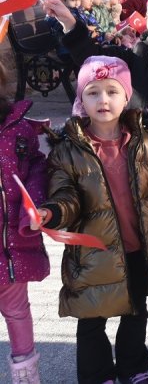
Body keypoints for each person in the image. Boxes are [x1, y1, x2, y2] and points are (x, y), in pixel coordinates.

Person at [36, 56, 148, 384]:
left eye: (112, 91)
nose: (103, 100)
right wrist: (53, 212)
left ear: (126, 96)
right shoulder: (68, 150)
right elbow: (65, 195)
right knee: (91, 319)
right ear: (81, 99)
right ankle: (97, 374)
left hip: (140, 245)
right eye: (93, 92)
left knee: (136, 312)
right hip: (94, 251)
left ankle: (133, 370)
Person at [0, 64, 49, 384]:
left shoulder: (17, 128)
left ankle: (26, 376)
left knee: (17, 311)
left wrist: (32, 208)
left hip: (9, 244)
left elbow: (35, 166)